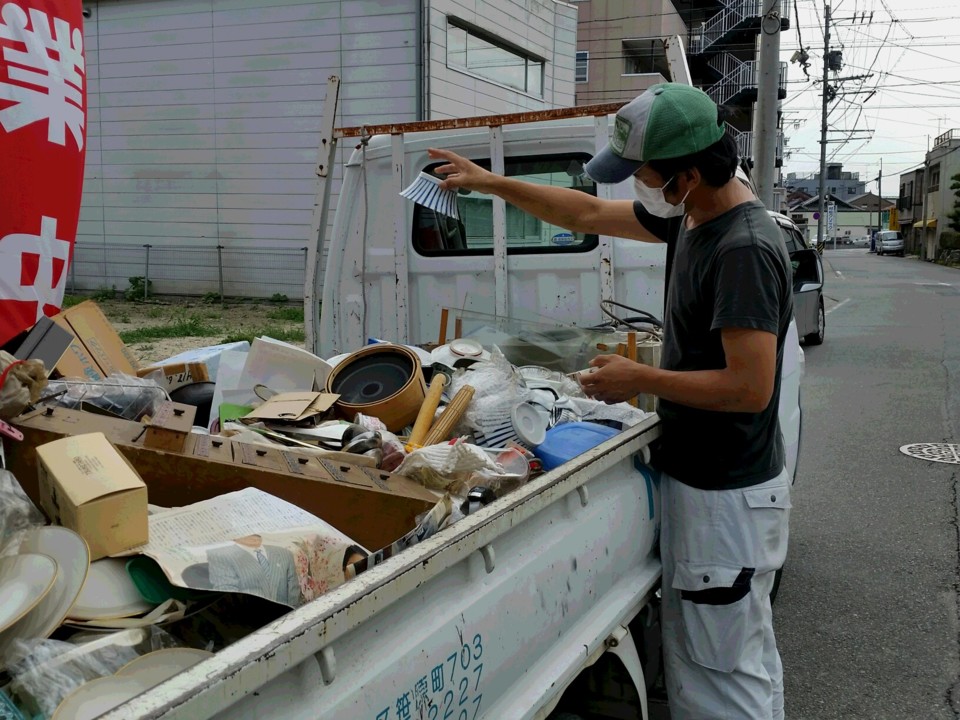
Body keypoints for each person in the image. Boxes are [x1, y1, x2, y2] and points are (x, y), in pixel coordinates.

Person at [428, 83, 793, 720]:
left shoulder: (743, 249)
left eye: (641, 173)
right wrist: (489, 182)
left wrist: (641, 380)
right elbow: (585, 216)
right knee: (736, 658)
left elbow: (750, 387)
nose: (634, 185)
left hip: (724, 495)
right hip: (710, 485)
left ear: (683, 175)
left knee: (719, 677)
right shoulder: (695, 217)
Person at [206, 534, 301, 607]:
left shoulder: (284, 553)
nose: (252, 533)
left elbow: (293, 592)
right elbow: (228, 594)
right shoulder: (221, 556)